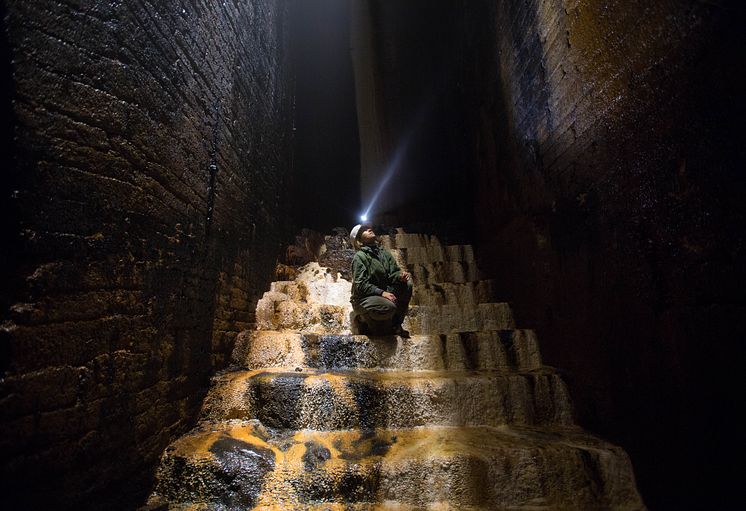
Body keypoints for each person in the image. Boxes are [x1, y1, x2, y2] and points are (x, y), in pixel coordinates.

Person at [349, 224, 413, 337]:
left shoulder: (383, 253)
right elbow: (361, 285)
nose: (369, 229)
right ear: (359, 240)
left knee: (407, 285)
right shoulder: (360, 257)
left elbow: (393, 272)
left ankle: (396, 324)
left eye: (368, 228)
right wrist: (382, 293)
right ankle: (363, 319)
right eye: (364, 230)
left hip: (382, 294)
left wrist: (399, 276)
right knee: (389, 307)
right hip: (363, 298)